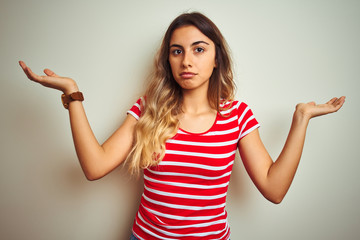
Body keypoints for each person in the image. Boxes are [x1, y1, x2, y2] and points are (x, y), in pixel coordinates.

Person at [19, 12, 345, 240]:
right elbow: (95, 166)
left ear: (217, 58)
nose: (186, 60)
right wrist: (72, 94)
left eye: (198, 49)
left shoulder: (237, 116)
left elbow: (274, 190)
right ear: (168, 61)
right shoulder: (148, 109)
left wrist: (300, 119)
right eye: (177, 52)